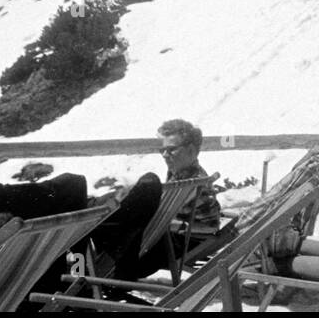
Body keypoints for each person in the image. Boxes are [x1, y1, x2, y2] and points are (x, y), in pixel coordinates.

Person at [87, 119, 222, 281]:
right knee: (108, 214)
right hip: (161, 241)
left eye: (171, 150)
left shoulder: (196, 184)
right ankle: (87, 265)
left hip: (167, 247)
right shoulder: (185, 176)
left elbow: (211, 226)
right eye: (162, 150)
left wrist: (175, 225)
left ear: (192, 150)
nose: (165, 155)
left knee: (92, 226)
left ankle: (82, 271)